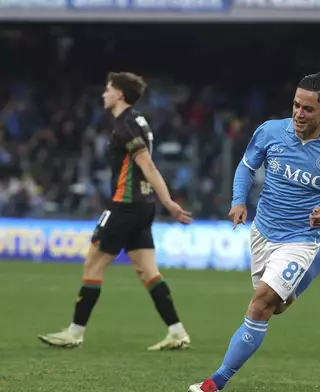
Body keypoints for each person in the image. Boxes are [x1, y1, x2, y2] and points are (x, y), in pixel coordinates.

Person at [188, 72, 320, 392]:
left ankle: (215, 383)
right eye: (296, 105)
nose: (299, 113)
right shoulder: (270, 132)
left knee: (259, 305)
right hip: (262, 232)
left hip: (300, 240)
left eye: (307, 109)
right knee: (276, 307)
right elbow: (246, 166)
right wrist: (238, 201)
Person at [38, 72, 193, 351]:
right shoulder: (139, 121)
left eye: (108, 89)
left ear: (120, 94)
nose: (104, 94)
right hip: (143, 207)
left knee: (93, 264)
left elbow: (147, 166)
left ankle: (74, 332)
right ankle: (177, 331)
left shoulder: (126, 126)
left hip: (125, 206)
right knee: (147, 271)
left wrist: (169, 201)